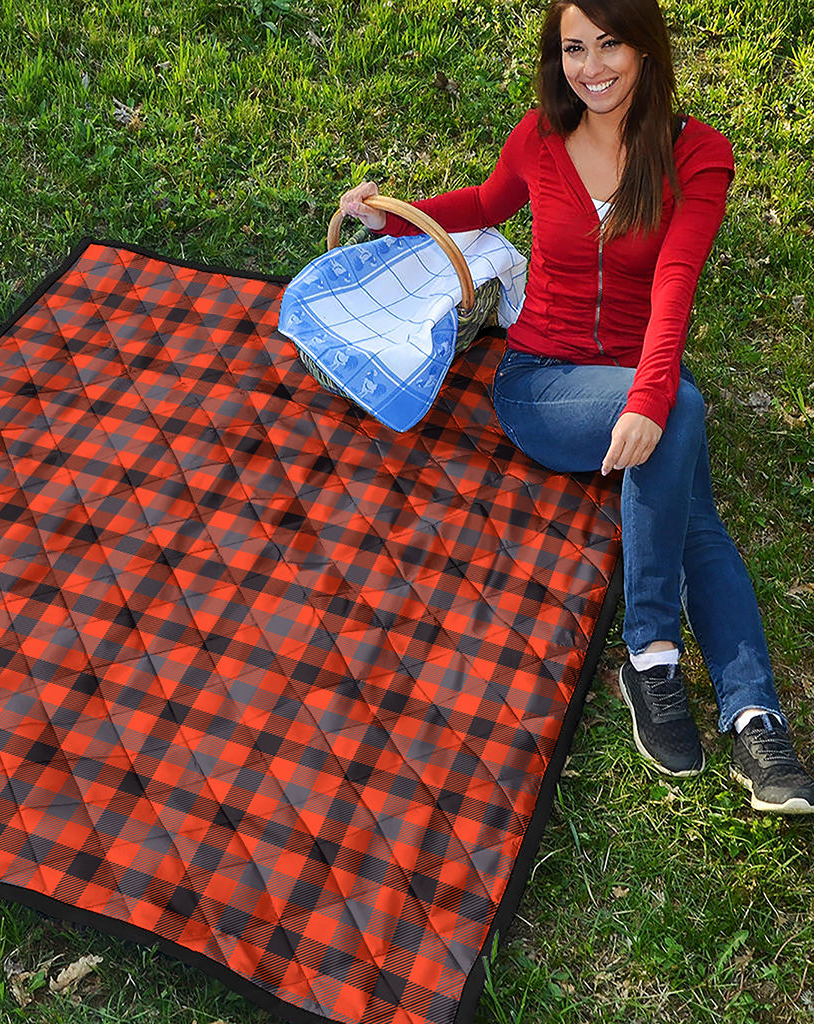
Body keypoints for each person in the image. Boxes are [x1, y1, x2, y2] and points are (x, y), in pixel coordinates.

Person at [338, 0, 814, 814]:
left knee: (688, 478)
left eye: (610, 44)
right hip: (540, 383)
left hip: (634, 377)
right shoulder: (539, 137)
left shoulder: (697, 156)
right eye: (573, 49)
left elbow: (675, 284)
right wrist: (393, 221)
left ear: (645, 49)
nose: (591, 67)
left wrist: (651, 396)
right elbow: (486, 205)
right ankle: (658, 654)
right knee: (683, 419)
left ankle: (749, 714)